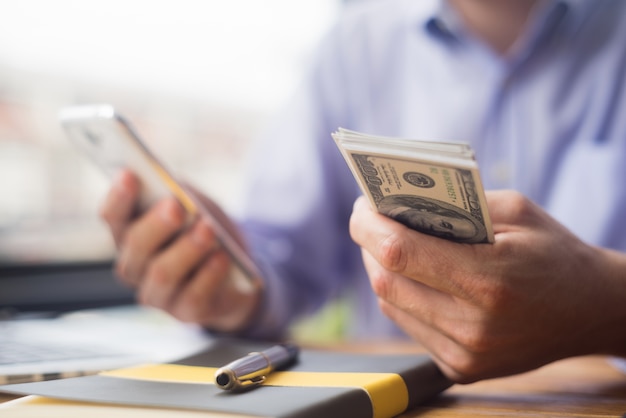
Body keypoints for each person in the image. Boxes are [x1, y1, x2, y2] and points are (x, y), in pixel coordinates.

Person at [100, 0, 626, 384]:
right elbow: (281, 261)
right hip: (406, 403)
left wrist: (608, 305)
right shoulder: (354, 48)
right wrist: (221, 276)